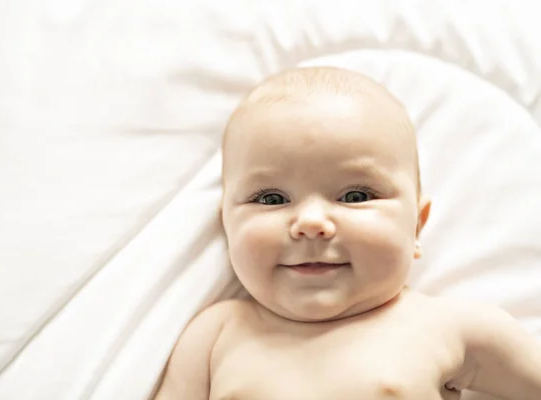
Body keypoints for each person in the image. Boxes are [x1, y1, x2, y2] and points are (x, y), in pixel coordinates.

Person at [152, 67, 541, 399]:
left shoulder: (452, 327)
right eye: (271, 198)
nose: (311, 222)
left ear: (416, 226)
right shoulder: (214, 336)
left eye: (355, 195)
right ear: (226, 223)